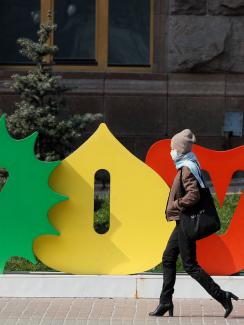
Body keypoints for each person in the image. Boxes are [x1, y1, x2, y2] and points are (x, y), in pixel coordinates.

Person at [149, 129, 238, 318]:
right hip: (183, 222)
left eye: (172, 148)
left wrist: (176, 204)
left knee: (190, 265)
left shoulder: (187, 167)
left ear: (180, 149)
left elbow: (194, 195)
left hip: (185, 222)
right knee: (168, 258)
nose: (171, 151)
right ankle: (165, 302)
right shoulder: (188, 164)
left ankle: (223, 296)